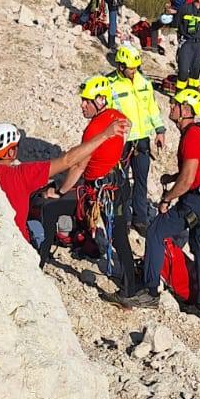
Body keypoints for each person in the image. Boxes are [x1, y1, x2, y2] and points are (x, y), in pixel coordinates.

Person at [121, 88, 200, 317]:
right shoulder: (195, 133)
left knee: (155, 231)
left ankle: (150, 290)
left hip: (194, 200)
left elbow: (188, 179)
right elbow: (194, 171)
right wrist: (173, 178)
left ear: (186, 110)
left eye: (175, 104)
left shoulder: (192, 136)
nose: (171, 106)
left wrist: (167, 198)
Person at [39, 80, 135, 293]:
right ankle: (130, 288)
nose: (82, 105)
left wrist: (60, 191)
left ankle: (38, 264)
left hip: (101, 190)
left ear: (100, 101)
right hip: (116, 184)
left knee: (50, 208)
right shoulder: (116, 116)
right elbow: (129, 124)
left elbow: (79, 166)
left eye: (86, 101)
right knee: (119, 237)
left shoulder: (94, 128)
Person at [0, 117, 127, 246]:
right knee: (37, 228)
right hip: (18, 242)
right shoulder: (22, 174)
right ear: (10, 152)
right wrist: (106, 134)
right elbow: (68, 160)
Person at [106, 44, 166, 230]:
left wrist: (160, 130)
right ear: (121, 66)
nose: (134, 71)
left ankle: (140, 218)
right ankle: (122, 219)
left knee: (141, 180)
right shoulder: (110, 84)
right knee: (120, 182)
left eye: (136, 67)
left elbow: (152, 108)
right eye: (131, 68)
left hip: (141, 141)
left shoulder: (144, 83)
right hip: (121, 142)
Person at [175, 0, 200, 91]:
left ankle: (192, 91)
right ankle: (179, 93)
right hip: (186, 42)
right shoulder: (185, 8)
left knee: (195, 70)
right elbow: (176, 23)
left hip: (198, 43)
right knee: (183, 70)